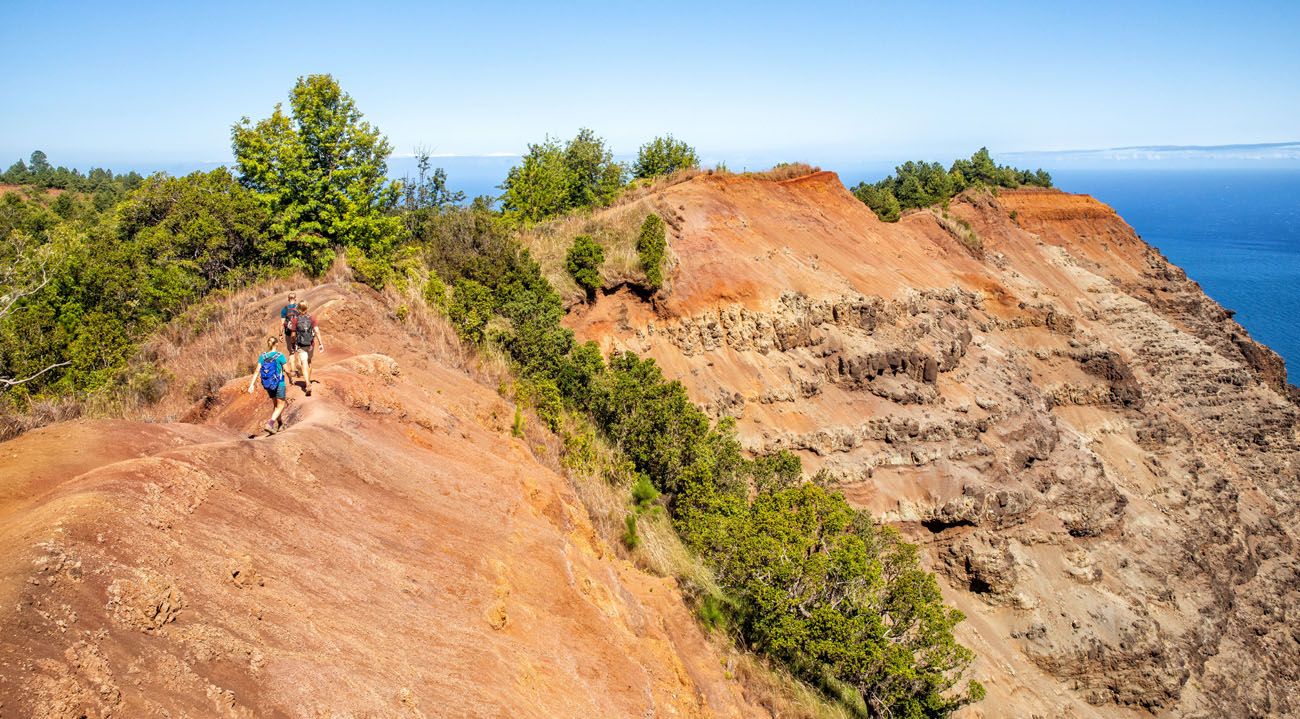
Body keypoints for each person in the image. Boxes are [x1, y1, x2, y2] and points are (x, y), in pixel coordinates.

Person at [247, 336, 289, 434]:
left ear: (268, 344)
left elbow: (257, 370)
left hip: (268, 384)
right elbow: (287, 370)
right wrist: (291, 376)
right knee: (281, 405)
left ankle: (280, 424)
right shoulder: (280, 355)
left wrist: (251, 385)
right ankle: (270, 424)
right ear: (277, 344)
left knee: (275, 405)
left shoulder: (263, 356)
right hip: (279, 383)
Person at [290, 302, 325, 396]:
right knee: (309, 361)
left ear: (298, 309)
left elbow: (293, 335)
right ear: (307, 308)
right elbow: (317, 331)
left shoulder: (295, 319)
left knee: (304, 362)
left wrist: (293, 344)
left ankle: (307, 383)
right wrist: (321, 343)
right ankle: (308, 380)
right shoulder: (311, 318)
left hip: (301, 345)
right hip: (310, 344)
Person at [279, 292, 300, 377]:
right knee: (299, 350)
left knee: (291, 352)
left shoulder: (284, 309)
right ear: (295, 299)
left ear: (288, 299)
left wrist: (280, 334)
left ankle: (293, 371)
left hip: (288, 332)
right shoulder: (299, 308)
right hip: (298, 332)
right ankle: (300, 368)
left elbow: (282, 323)